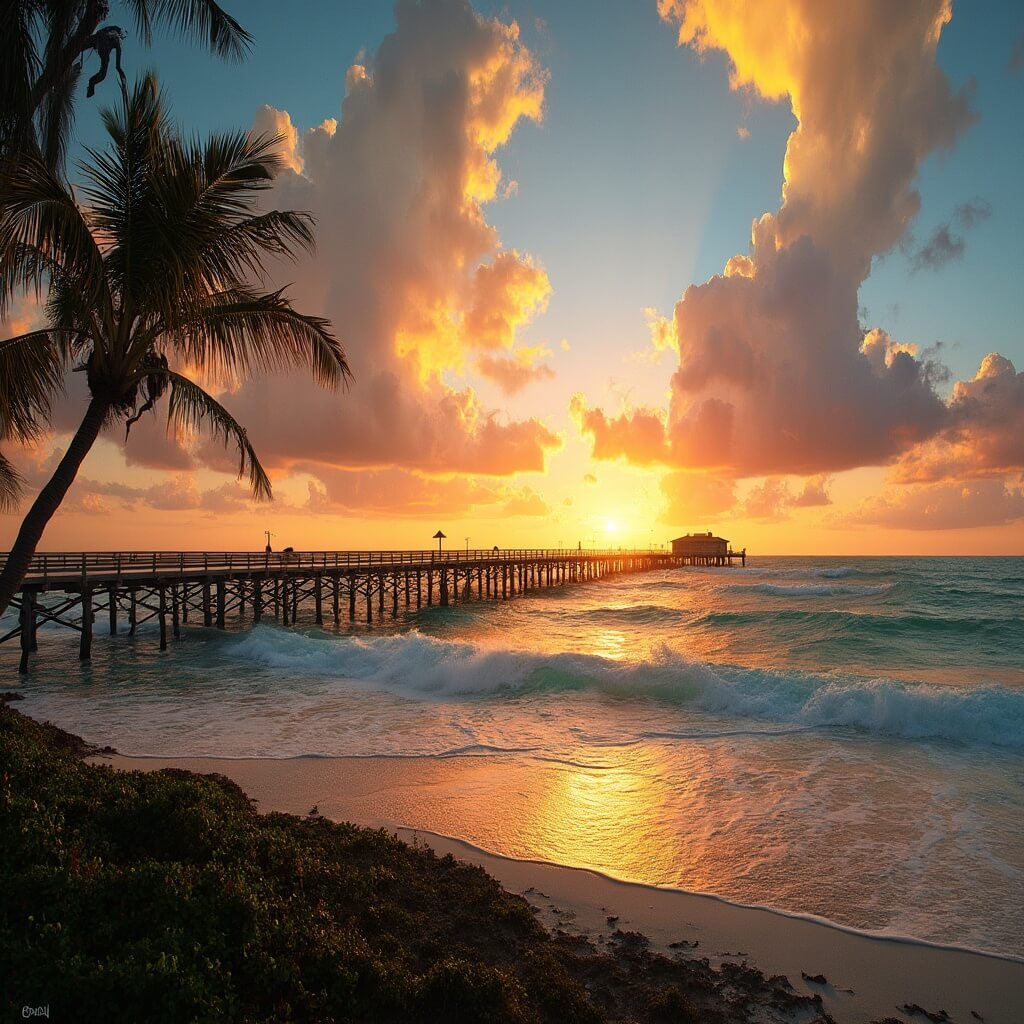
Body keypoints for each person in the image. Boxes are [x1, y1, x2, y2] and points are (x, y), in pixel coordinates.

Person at [83, 26, 127, 98]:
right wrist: (123, 77)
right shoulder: (118, 41)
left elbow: (100, 31)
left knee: (80, 46)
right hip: (102, 47)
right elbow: (118, 65)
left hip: (97, 40)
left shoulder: (111, 30)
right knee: (102, 75)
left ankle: (92, 83)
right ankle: (92, 82)